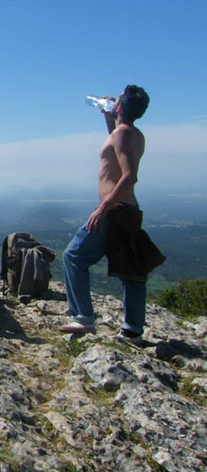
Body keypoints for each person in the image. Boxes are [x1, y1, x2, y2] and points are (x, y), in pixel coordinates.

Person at [59, 85, 160, 343]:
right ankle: (132, 329)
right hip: (127, 210)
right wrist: (108, 118)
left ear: (120, 106)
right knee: (130, 268)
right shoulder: (131, 134)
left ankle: (83, 317)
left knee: (73, 256)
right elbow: (117, 149)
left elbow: (129, 176)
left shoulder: (123, 134)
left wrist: (104, 208)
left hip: (114, 210)